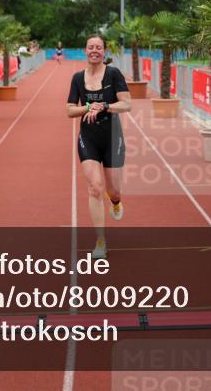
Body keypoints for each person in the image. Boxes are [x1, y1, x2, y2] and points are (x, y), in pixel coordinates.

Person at [66, 34, 132, 260]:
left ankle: (115, 201)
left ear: (104, 51)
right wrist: (87, 107)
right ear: (85, 51)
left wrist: (103, 106)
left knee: (112, 189)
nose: (94, 50)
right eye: (90, 47)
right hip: (88, 138)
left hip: (112, 137)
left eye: (98, 47)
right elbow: (69, 110)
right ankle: (101, 242)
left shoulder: (113, 74)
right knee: (94, 187)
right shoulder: (77, 78)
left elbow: (126, 104)